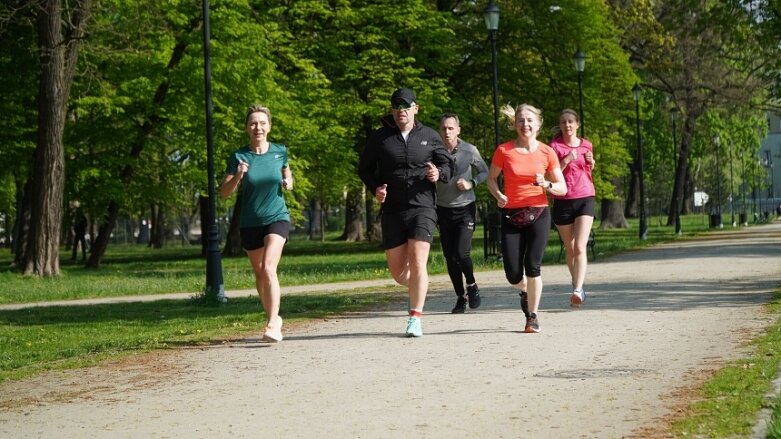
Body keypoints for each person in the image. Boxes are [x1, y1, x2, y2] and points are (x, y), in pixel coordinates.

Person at [358, 87, 453, 337]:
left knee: (419, 260)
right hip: (393, 210)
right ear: (392, 110)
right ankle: (416, 289)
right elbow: (364, 168)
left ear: (415, 109)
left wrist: (438, 174)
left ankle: (415, 317)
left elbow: (447, 164)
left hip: (423, 206)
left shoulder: (430, 136)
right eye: (397, 107)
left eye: (406, 107)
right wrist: (375, 188)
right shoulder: (381, 138)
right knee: (399, 273)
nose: (402, 112)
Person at [487, 104, 566, 333]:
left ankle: (532, 316)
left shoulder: (547, 152)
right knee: (513, 273)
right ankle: (525, 290)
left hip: (539, 212)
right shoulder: (504, 151)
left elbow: (562, 187)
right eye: (521, 120)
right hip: (511, 213)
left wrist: (547, 184)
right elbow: (491, 179)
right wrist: (498, 194)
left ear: (538, 124)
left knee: (533, 265)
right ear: (514, 124)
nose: (525, 124)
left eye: (530, 120)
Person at [220, 104, 293, 343]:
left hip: (277, 217)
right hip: (251, 221)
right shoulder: (239, 156)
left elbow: (286, 171)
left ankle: (272, 323)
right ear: (247, 129)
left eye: (262, 123)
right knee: (260, 274)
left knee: (269, 267)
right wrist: (239, 175)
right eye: (253, 123)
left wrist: (288, 182)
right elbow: (224, 193)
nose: (258, 127)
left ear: (269, 127)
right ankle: (274, 317)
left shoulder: (280, 151)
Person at [435, 113, 489, 313]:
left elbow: (485, 171)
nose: (447, 132)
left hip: (465, 207)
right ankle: (460, 297)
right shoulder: (435, 150)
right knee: (450, 257)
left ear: (458, 130)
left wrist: (471, 183)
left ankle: (472, 285)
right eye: (444, 128)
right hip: (443, 208)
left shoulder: (469, 150)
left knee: (461, 252)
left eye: (451, 128)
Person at [549, 109, 596, 308]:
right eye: (563, 122)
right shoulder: (553, 147)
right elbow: (550, 174)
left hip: (585, 196)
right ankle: (576, 282)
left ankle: (578, 289)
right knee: (569, 247)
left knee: (579, 246)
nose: (567, 125)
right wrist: (566, 160)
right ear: (560, 126)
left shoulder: (587, 144)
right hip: (563, 198)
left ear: (577, 124)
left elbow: (587, 171)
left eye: (570, 122)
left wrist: (592, 163)